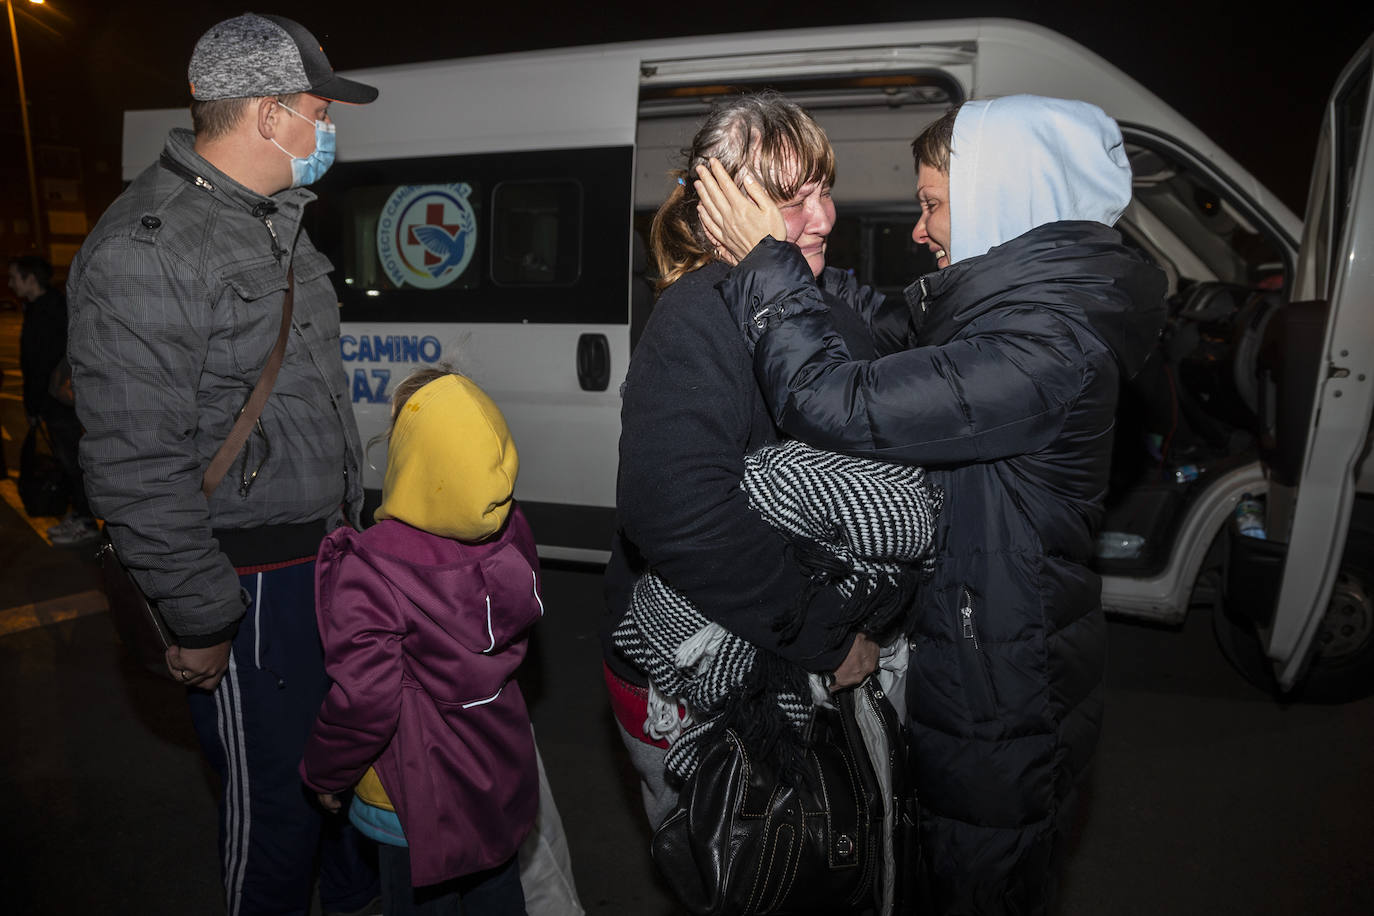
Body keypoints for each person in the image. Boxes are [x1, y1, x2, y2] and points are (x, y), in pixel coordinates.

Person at [696, 95, 1169, 915]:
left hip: (1005, 694)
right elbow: (900, 333)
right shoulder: (1023, 314)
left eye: (932, 204)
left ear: (1003, 198)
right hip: (996, 660)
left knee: (977, 886)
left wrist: (768, 263)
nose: (920, 229)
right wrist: (804, 258)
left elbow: (837, 399)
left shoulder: (1044, 347)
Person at [65, 13, 380, 916]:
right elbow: (133, 463)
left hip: (324, 563)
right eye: (320, 111)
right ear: (271, 115)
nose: (330, 131)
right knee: (275, 812)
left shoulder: (274, 225)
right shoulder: (147, 248)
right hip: (247, 585)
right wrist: (202, 614)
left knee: (345, 785)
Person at [602, 92, 914, 829]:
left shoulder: (808, 295)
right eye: (792, 198)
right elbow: (677, 515)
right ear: (723, 206)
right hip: (707, 683)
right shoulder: (698, 315)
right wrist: (827, 636)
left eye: (825, 190)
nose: (826, 218)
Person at [301, 369, 541, 916]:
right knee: (497, 895)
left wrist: (325, 769)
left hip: (413, 796)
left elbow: (365, 700)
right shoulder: (512, 533)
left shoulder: (374, 567)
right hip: (496, 771)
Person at [10, 255, 97, 544]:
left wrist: (34, 404)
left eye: (15, 277)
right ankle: (80, 514)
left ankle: (86, 520)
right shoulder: (43, 307)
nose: (11, 283)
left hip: (59, 401)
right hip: (53, 400)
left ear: (30, 279)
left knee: (73, 461)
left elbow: (41, 365)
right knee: (68, 460)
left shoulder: (50, 310)